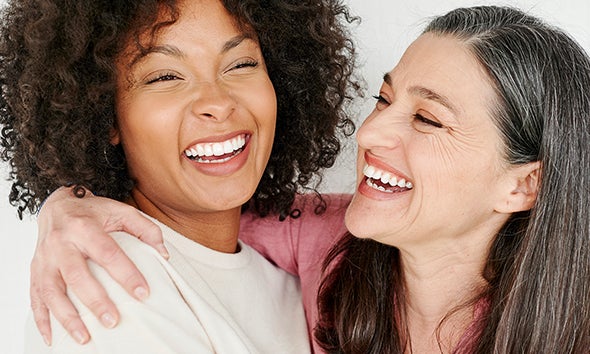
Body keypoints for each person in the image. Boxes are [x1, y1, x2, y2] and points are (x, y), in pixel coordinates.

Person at [16, 4, 590, 353]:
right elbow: (198, 210)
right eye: (383, 100)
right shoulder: (326, 242)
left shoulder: (563, 325)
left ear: (524, 184)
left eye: (427, 118)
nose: (368, 136)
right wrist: (70, 200)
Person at [0, 0, 361, 352]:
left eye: (240, 64)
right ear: (105, 115)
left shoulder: (299, 283)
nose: (218, 103)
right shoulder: (111, 292)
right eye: (166, 76)